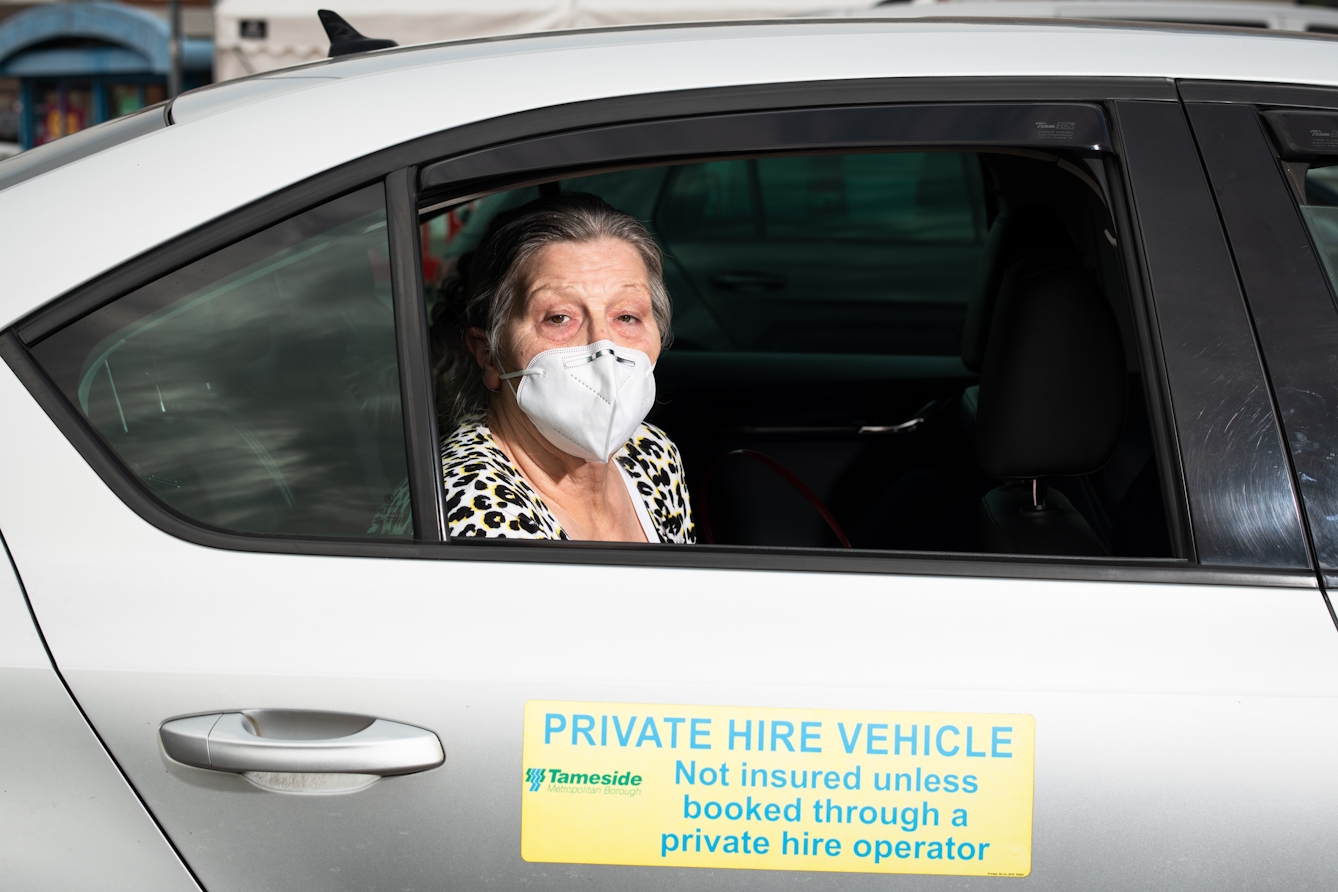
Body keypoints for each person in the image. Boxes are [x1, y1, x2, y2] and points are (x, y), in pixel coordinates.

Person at [426, 192, 693, 543]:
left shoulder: (652, 455)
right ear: (489, 354)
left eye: (627, 316)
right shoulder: (473, 510)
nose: (603, 346)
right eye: (558, 318)